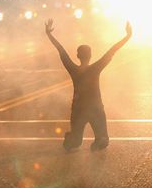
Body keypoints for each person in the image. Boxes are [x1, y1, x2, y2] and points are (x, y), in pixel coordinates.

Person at [45, 19, 132, 151]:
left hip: (78, 110)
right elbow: (112, 50)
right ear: (90, 55)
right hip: (95, 109)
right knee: (102, 140)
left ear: (77, 55)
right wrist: (128, 36)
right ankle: (96, 139)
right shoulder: (96, 68)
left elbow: (61, 50)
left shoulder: (73, 69)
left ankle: (73, 138)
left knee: (74, 143)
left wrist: (49, 34)